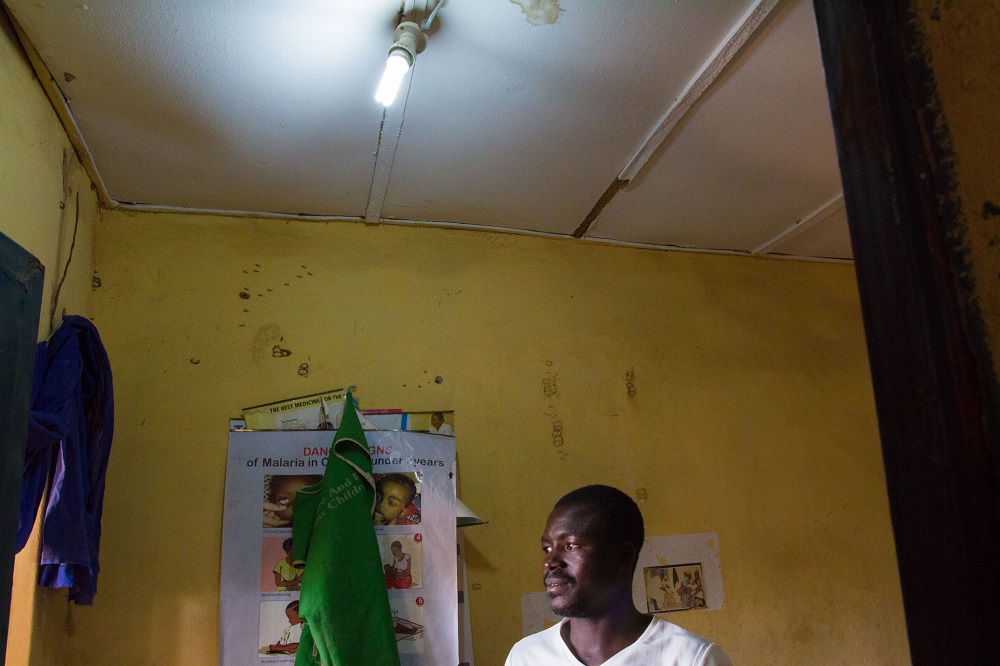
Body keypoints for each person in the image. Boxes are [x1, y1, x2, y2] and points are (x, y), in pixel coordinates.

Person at [505, 485, 732, 666]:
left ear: (623, 556)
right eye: (547, 548)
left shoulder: (692, 658)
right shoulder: (525, 657)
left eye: (570, 546)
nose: (550, 562)